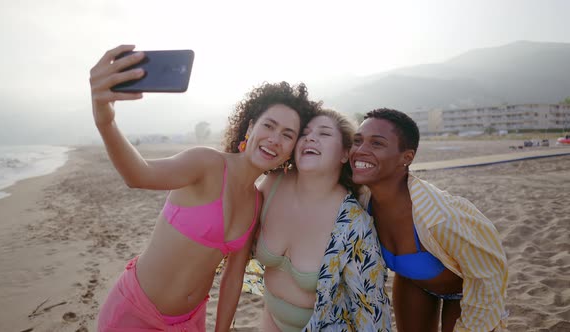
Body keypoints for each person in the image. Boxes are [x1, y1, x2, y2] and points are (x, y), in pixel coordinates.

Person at [90, 45, 318, 331]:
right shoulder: (207, 163)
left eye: (288, 135)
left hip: (190, 322)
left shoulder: (256, 201)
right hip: (134, 314)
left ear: (290, 152)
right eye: (269, 126)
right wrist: (106, 120)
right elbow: (139, 175)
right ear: (249, 128)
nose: (275, 139)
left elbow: (233, 278)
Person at [350, 108, 508, 332]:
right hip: (413, 283)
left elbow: (489, 277)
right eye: (357, 141)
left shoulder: (439, 217)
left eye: (377, 143)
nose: (360, 150)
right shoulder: (361, 203)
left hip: (467, 291)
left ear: (406, 157)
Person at [256, 109, 391, 331]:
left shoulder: (354, 223)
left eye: (325, 134)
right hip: (270, 320)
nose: (310, 137)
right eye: (305, 133)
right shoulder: (272, 184)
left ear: (345, 154)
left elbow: (370, 309)